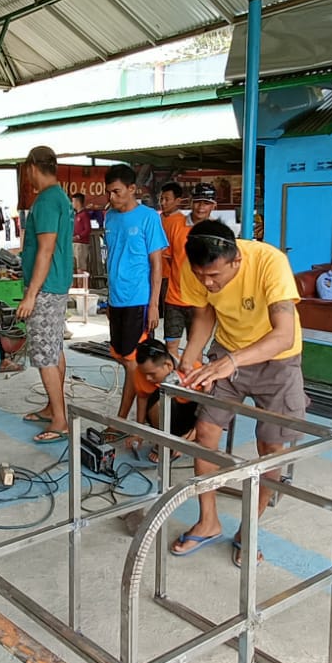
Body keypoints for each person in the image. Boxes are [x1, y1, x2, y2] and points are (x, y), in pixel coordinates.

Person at [169, 220, 306, 567]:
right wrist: (191, 353)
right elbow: (204, 313)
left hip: (277, 360)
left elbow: (284, 334)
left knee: (271, 449)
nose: (207, 282)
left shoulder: (269, 262)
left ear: (236, 261)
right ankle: (209, 520)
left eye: (214, 275)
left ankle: (250, 529)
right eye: (201, 276)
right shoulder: (195, 268)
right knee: (205, 432)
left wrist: (232, 362)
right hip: (227, 353)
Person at [17, 146, 75, 445]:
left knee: (44, 355)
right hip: (55, 285)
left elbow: (46, 249)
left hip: (46, 288)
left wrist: (31, 294)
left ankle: (60, 421)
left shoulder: (47, 200)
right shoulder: (59, 197)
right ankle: (54, 407)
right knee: (53, 350)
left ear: (31, 168)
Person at [103, 164, 168, 424]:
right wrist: (109, 298)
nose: (112, 197)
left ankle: (125, 419)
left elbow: (157, 264)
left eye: (117, 192)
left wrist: (154, 305)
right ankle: (137, 416)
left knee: (135, 362)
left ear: (132, 189)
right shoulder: (109, 217)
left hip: (138, 301)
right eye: (109, 192)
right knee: (122, 358)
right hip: (116, 299)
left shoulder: (148, 217)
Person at [124, 338, 201, 463]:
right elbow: (142, 399)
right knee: (158, 400)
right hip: (169, 414)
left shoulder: (194, 371)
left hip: (191, 416)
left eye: (152, 374)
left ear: (168, 365)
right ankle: (163, 440)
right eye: (145, 374)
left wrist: (185, 441)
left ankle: (182, 439)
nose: (148, 378)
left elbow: (209, 411)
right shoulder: (142, 372)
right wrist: (139, 433)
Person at [158, 182, 193, 357]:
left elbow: (175, 256)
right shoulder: (158, 218)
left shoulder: (181, 223)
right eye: (161, 199)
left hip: (170, 280)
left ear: (178, 201)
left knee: (192, 342)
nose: (163, 202)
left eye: (167, 199)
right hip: (155, 277)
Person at [71, 192, 93, 278]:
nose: (72, 204)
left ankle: (82, 286)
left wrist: (78, 236)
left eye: (73, 201)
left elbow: (87, 229)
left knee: (80, 267)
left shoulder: (84, 215)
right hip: (74, 243)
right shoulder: (75, 215)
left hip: (81, 244)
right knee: (74, 267)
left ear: (77, 202)